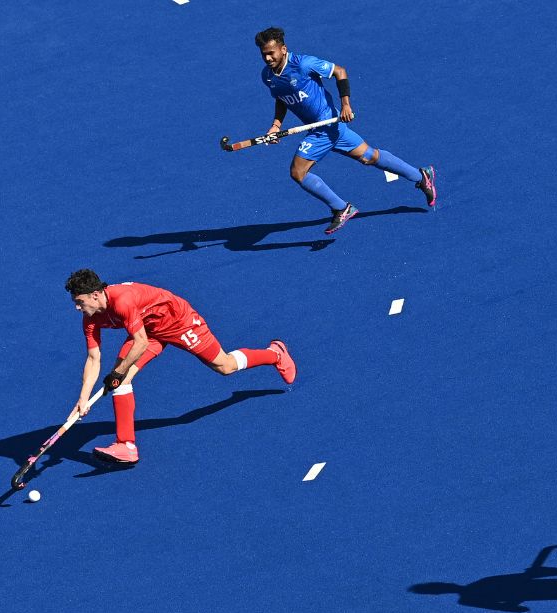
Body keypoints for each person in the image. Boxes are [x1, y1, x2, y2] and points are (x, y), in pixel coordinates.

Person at [66, 269, 295, 464]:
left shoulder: (122, 301)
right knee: (122, 381)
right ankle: (126, 445)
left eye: (79, 302)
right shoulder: (90, 318)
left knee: (225, 366)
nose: (77, 307)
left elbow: (140, 343)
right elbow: (93, 358)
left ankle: (275, 354)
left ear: (95, 295)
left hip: (178, 322)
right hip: (147, 329)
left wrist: (117, 372)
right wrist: (83, 399)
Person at [254, 26, 436, 235]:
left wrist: (346, 105)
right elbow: (281, 98)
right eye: (263, 54)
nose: (267, 58)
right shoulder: (267, 76)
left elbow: (339, 71)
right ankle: (421, 176)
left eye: (271, 53)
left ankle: (341, 208)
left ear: (283, 49)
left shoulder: (303, 64)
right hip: (329, 128)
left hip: (326, 125)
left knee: (298, 172)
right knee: (370, 156)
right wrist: (276, 125)